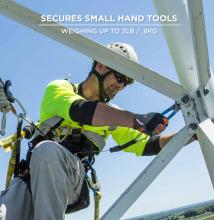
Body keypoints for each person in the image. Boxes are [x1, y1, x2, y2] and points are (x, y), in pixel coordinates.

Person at [0, 42, 176, 220]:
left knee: (47, 151)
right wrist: (136, 120)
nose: (121, 86)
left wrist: (193, 133)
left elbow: (147, 146)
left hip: (71, 179)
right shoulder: (60, 88)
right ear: (101, 65)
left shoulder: (114, 116)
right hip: (31, 179)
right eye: (120, 77)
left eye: (127, 83)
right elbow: (80, 110)